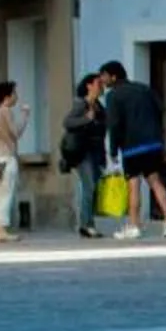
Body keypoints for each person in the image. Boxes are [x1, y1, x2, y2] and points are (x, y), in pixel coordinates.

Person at [98, 58, 166, 238]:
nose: (102, 80)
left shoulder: (113, 96)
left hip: (132, 147)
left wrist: (113, 149)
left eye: (104, 76)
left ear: (114, 76)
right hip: (153, 143)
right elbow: (160, 109)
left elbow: (114, 124)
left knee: (133, 184)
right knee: (155, 181)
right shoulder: (144, 89)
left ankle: (133, 225)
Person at [59, 71, 109, 236]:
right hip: (82, 152)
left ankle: (89, 223)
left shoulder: (99, 106)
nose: (101, 87)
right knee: (89, 187)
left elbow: (102, 131)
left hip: (96, 152)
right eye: (98, 84)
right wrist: (86, 119)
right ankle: (85, 224)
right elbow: (67, 122)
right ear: (89, 85)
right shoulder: (81, 104)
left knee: (93, 188)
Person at [0, 78, 29, 242]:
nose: (16, 97)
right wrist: (25, 116)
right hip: (6, 158)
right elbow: (16, 133)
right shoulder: (6, 111)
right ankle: (1, 228)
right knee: (6, 194)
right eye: (14, 93)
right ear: (7, 96)